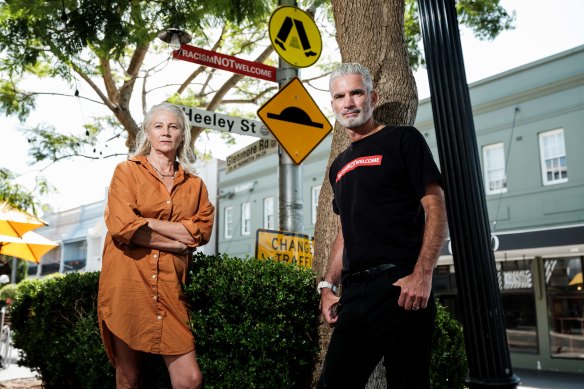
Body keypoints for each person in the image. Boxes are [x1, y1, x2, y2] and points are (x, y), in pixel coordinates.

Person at [317, 63, 448, 389]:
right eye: (339, 96)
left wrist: (423, 275)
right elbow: (345, 231)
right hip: (356, 294)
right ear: (333, 105)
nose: (348, 102)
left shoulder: (403, 139)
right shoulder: (338, 166)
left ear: (372, 97)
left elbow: (436, 207)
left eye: (356, 92)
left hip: (402, 286)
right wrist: (327, 288)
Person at [97, 102, 215, 389]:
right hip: (127, 284)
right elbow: (123, 226)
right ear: (147, 133)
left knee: (190, 379)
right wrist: (176, 243)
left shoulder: (195, 184)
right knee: (129, 378)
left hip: (170, 288)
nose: (166, 132)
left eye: (173, 126)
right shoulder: (126, 172)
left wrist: (146, 223)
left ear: (182, 135)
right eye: (158, 126)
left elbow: (200, 231)